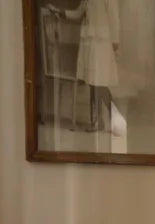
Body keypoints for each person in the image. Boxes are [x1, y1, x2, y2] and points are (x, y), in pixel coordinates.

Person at [49, 0, 120, 131]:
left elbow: (113, 16)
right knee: (93, 82)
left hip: (102, 41)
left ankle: (115, 117)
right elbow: (79, 13)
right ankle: (96, 121)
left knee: (99, 83)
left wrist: (115, 42)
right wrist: (60, 12)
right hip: (89, 41)